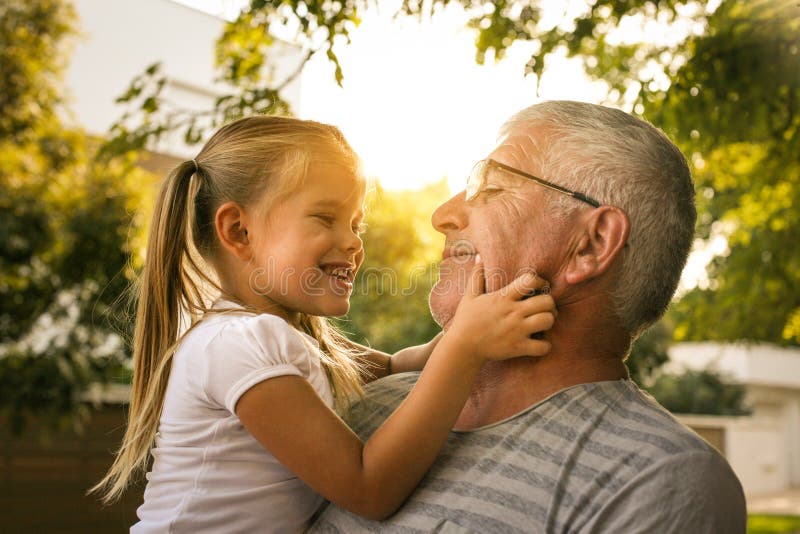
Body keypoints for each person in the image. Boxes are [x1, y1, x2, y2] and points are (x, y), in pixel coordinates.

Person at [90, 116, 557, 532]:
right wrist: (465, 351)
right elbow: (368, 488)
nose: (353, 242)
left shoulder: (274, 340)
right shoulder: (235, 345)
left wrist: (464, 333)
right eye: (325, 218)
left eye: (356, 223)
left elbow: (396, 364)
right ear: (238, 231)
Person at [311, 101, 747, 533]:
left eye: (493, 188)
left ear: (592, 244)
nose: (442, 215)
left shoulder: (657, 481)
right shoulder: (349, 411)